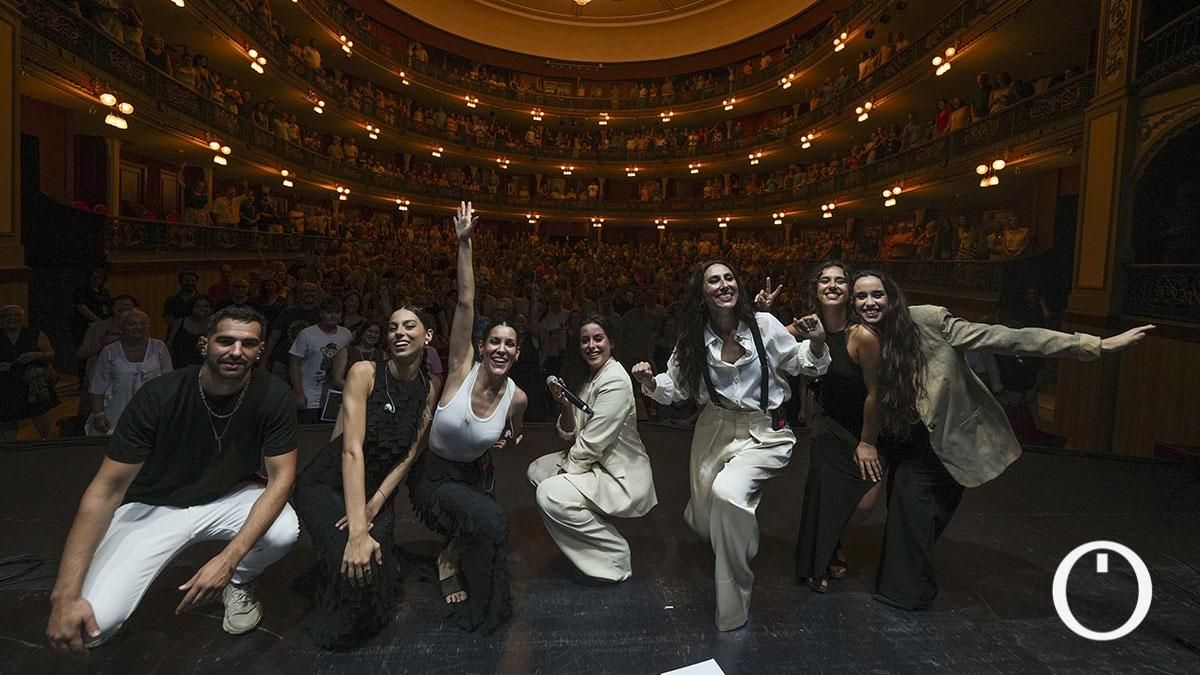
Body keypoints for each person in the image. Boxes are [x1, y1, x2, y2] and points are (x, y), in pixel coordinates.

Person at [846, 270, 1154, 610]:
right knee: (907, 509)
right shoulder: (859, 336)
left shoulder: (929, 320)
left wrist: (1094, 344)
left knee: (916, 506)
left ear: (892, 296)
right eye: (861, 296)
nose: (870, 302)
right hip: (900, 438)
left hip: (948, 436)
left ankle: (906, 593)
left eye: (877, 294)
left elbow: (1006, 338)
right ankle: (903, 590)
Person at [46, 306, 299, 652]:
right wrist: (64, 596)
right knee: (92, 630)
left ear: (260, 349)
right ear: (204, 344)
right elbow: (105, 492)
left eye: (248, 344)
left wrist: (227, 562)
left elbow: (281, 479)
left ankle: (240, 582)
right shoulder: (159, 396)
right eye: (225, 341)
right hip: (154, 506)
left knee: (284, 531)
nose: (236, 352)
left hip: (227, 498)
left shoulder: (273, 394)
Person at [631, 260, 829, 631]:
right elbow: (675, 388)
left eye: (729, 278)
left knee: (727, 494)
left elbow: (806, 365)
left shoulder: (764, 325)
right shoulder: (693, 338)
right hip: (714, 429)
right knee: (706, 519)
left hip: (765, 432)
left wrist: (817, 343)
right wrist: (649, 382)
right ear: (701, 294)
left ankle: (733, 607)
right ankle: (740, 533)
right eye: (714, 280)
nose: (724, 285)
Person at [291, 305, 441, 650]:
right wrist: (358, 529)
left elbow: (407, 457)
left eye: (409, 326)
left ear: (428, 336)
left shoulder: (428, 387)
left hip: (376, 491)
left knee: (372, 569)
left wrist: (375, 505)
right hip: (329, 483)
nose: (399, 333)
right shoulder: (364, 372)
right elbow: (350, 450)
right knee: (351, 558)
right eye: (392, 328)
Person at [408, 202, 528, 632]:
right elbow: (465, 301)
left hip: (476, 475)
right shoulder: (460, 368)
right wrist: (464, 244)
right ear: (481, 346)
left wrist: (504, 440)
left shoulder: (518, 399)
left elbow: (515, 437)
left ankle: (449, 558)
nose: (500, 349)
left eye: (509, 344)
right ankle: (459, 579)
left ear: (517, 353)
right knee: (490, 522)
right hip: (435, 475)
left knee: (479, 527)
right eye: (494, 341)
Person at [773, 263, 885, 593]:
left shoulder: (862, 336)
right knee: (823, 487)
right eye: (825, 280)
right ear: (817, 289)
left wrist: (867, 442)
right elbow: (769, 339)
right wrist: (765, 311)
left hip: (863, 425)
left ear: (849, 292)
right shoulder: (806, 325)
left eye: (840, 281)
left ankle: (832, 540)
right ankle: (817, 559)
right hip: (827, 421)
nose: (832, 285)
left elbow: (876, 393)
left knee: (865, 502)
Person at [528, 314, 657, 584]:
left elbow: (592, 442)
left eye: (598, 339)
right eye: (585, 340)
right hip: (597, 465)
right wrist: (564, 404)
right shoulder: (589, 378)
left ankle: (614, 557)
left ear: (611, 343)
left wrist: (564, 472)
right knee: (537, 471)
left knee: (550, 493)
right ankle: (590, 538)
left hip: (620, 474)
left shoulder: (615, 379)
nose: (591, 345)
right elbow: (568, 433)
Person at [87, 309, 173, 435]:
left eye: (142, 324)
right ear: (122, 327)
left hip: (151, 412)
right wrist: (98, 414)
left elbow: (169, 382)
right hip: (115, 413)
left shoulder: (159, 347)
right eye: (132, 324)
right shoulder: (109, 351)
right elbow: (97, 385)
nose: (138, 327)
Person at [288, 296, 352, 424]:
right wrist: (299, 393)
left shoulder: (346, 334)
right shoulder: (306, 334)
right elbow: (294, 365)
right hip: (309, 396)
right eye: (329, 312)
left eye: (337, 312)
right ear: (321, 314)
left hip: (334, 396)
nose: (333, 316)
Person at [0, 305, 58, 441]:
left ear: (23, 318)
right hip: (5, 383)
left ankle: (45, 440)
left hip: (32, 381)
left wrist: (36, 355)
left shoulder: (35, 333)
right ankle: (11, 447)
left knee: (39, 413)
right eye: (8, 315)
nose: (13, 318)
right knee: (8, 416)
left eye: (17, 315)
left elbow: (51, 354)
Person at [329, 320, 385, 391]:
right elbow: (337, 380)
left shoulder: (382, 355)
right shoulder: (346, 351)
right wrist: (358, 392)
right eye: (370, 331)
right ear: (362, 332)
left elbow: (385, 380)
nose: (373, 335)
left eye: (376, 333)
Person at [167, 295, 213, 369]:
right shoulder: (179, 322)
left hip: (207, 369)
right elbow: (169, 344)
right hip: (180, 368)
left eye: (206, 306)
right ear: (191, 308)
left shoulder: (216, 325)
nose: (202, 309)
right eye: (198, 306)